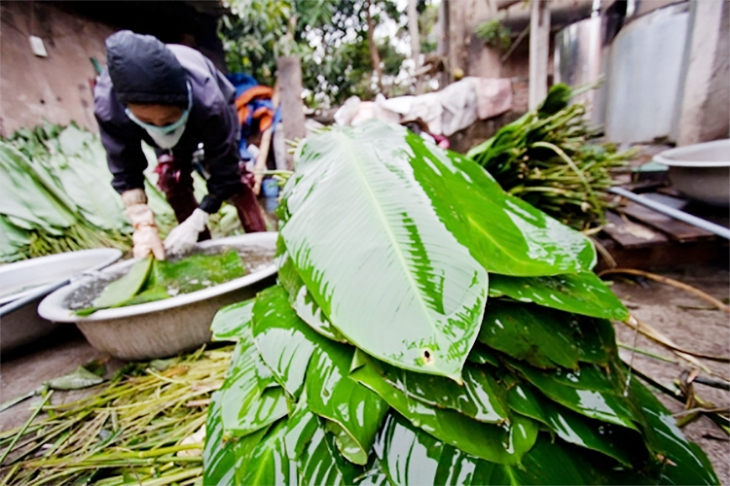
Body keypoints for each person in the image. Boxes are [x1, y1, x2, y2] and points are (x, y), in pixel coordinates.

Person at [93, 30, 266, 260]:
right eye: (148, 121)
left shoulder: (209, 102)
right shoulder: (109, 108)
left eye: (167, 120)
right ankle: (203, 256)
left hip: (201, 120)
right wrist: (142, 223)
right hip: (162, 132)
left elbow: (226, 167)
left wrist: (200, 216)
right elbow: (125, 167)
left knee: (237, 181)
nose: (160, 125)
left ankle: (263, 249)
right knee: (173, 180)